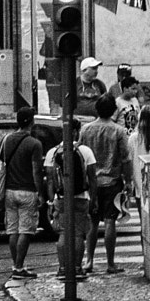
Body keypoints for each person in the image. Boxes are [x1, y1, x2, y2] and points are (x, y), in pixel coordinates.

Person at [83, 97, 132, 274]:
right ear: (113, 111)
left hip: (91, 182)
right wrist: (129, 180)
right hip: (112, 181)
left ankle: (89, 261)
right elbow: (126, 158)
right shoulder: (119, 131)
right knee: (110, 220)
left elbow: (81, 155)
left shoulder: (85, 130)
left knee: (93, 222)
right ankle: (110, 263)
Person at [45, 118, 100, 276]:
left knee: (63, 233)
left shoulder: (53, 153)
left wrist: (51, 202)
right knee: (77, 234)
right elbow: (92, 177)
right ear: (76, 132)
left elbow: (50, 180)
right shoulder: (85, 151)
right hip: (81, 197)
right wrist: (93, 199)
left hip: (61, 198)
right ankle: (76, 267)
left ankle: (63, 268)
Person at [0, 107, 45, 279]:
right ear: (31, 122)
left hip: (9, 191)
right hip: (27, 191)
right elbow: (36, 171)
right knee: (26, 230)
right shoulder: (34, 144)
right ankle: (19, 267)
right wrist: (40, 193)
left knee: (12, 230)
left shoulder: (6, 140)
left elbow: (0, 166)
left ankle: (16, 265)